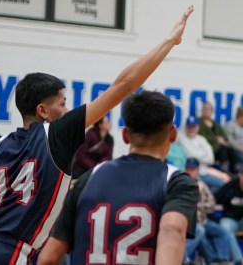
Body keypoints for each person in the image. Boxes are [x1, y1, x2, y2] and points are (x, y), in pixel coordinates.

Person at [0, 6, 194, 265]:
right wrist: (170, 41)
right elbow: (123, 86)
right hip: (13, 254)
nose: (67, 109)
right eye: (62, 104)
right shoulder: (57, 133)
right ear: (43, 111)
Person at [38, 90, 199, 265]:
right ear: (173, 134)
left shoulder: (90, 177)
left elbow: (48, 258)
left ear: (124, 135)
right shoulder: (177, 182)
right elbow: (172, 230)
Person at [183, 158, 232, 265]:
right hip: (187, 222)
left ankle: (222, 259)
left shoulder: (202, 184)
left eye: (193, 169)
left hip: (203, 220)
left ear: (197, 171)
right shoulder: (180, 183)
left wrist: (199, 205)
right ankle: (209, 260)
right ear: (185, 169)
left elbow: (212, 205)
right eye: (189, 169)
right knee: (201, 233)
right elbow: (184, 205)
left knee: (222, 232)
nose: (191, 172)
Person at [179, 116, 230, 193]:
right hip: (190, 171)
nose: (191, 129)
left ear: (198, 127)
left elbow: (211, 159)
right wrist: (202, 155)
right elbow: (190, 155)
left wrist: (195, 155)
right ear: (185, 127)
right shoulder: (181, 137)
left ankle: (206, 197)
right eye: (189, 126)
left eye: (193, 126)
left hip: (204, 171)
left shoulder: (201, 139)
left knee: (224, 184)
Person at [198, 101, 239, 173]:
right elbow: (201, 136)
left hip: (219, 146)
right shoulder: (199, 122)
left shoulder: (215, 123)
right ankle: (224, 170)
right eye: (204, 109)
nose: (206, 111)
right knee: (222, 150)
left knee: (231, 149)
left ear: (212, 111)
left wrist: (222, 140)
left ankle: (237, 170)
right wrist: (216, 139)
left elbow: (224, 135)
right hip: (209, 148)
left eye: (208, 109)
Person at [71, 115, 114, 179]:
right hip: (84, 167)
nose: (109, 123)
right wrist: (93, 167)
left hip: (98, 168)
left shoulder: (110, 139)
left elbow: (108, 156)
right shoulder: (90, 135)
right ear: (100, 125)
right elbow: (81, 154)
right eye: (107, 122)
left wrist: (99, 166)